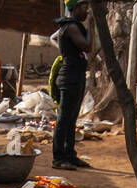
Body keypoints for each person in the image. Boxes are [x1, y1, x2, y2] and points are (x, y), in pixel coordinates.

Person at [52, 0, 92, 170]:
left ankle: (70, 154)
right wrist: (91, 25)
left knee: (71, 119)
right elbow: (88, 46)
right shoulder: (71, 27)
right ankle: (59, 158)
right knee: (64, 119)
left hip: (75, 77)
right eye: (84, 7)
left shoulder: (71, 26)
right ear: (75, 8)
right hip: (70, 78)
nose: (87, 10)